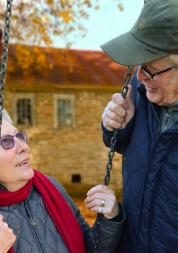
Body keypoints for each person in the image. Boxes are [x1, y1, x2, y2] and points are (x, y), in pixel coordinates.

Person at [101, 0, 178, 252]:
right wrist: (116, 126)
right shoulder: (141, 90)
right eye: (138, 67)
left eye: (151, 69)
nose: (141, 77)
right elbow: (137, 151)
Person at [0, 109, 125, 253]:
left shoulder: (50, 188)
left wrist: (110, 219)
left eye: (19, 136)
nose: (23, 147)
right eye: (6, 141)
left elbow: (90, 248)